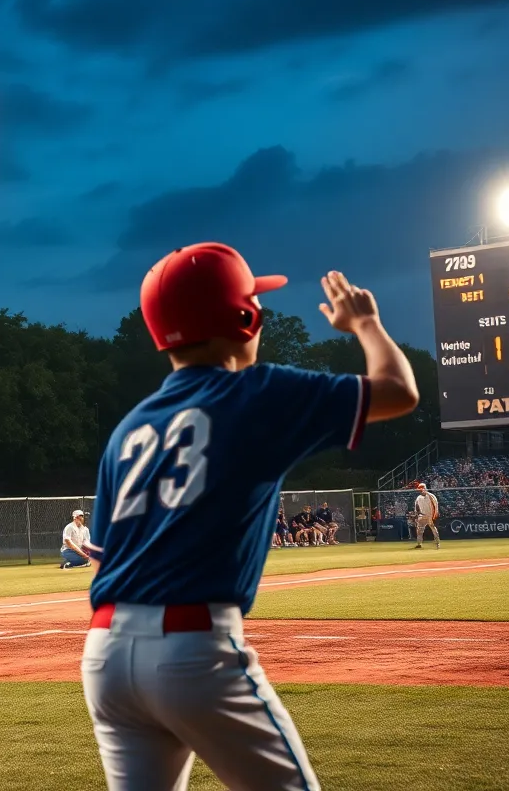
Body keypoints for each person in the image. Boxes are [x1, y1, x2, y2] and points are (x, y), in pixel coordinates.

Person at [82, 243, 419, 791]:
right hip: (193, 651)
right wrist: (366, 324)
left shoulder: (129, 428)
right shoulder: (257, 392)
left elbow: (105, 555)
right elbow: (399, 391)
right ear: (245, 318)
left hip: (105, 655)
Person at [411, 483, 440, 550]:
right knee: (419, 530)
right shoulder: (418, 498)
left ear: (424, 488)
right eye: (419, 489)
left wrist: (435, 514)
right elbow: (416, 507)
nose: (420, 490)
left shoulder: (431, 496)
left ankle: (437, 543)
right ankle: (419, 544)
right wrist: (416, 514)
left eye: (421, 489)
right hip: (422, 515)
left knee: (433, 529)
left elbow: (436, 505)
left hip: (430, 515)